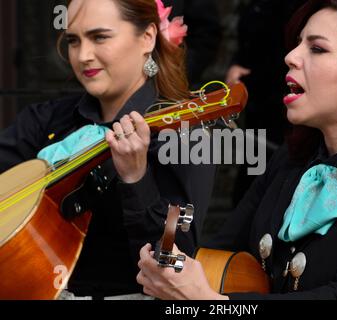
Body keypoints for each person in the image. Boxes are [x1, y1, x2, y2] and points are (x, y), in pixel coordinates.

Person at [137, 0, 337, 299]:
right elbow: (216, 257)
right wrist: (136, 177)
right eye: (297, 44)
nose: (290, 57)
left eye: (317, 48)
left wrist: (211, 304)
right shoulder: (291, 160)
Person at [0, 0, 215, 299]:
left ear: (148, 37)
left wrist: (136, 178)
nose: (83, 55)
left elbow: (173, 264)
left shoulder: (184, 135)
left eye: (100, 37)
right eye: (74, 40)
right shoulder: (44, 120)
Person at [226, 0, 307, 205]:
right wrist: (238, 63)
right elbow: (254, 32)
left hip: (291, 100)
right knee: (255, 177)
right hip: (260, 102)